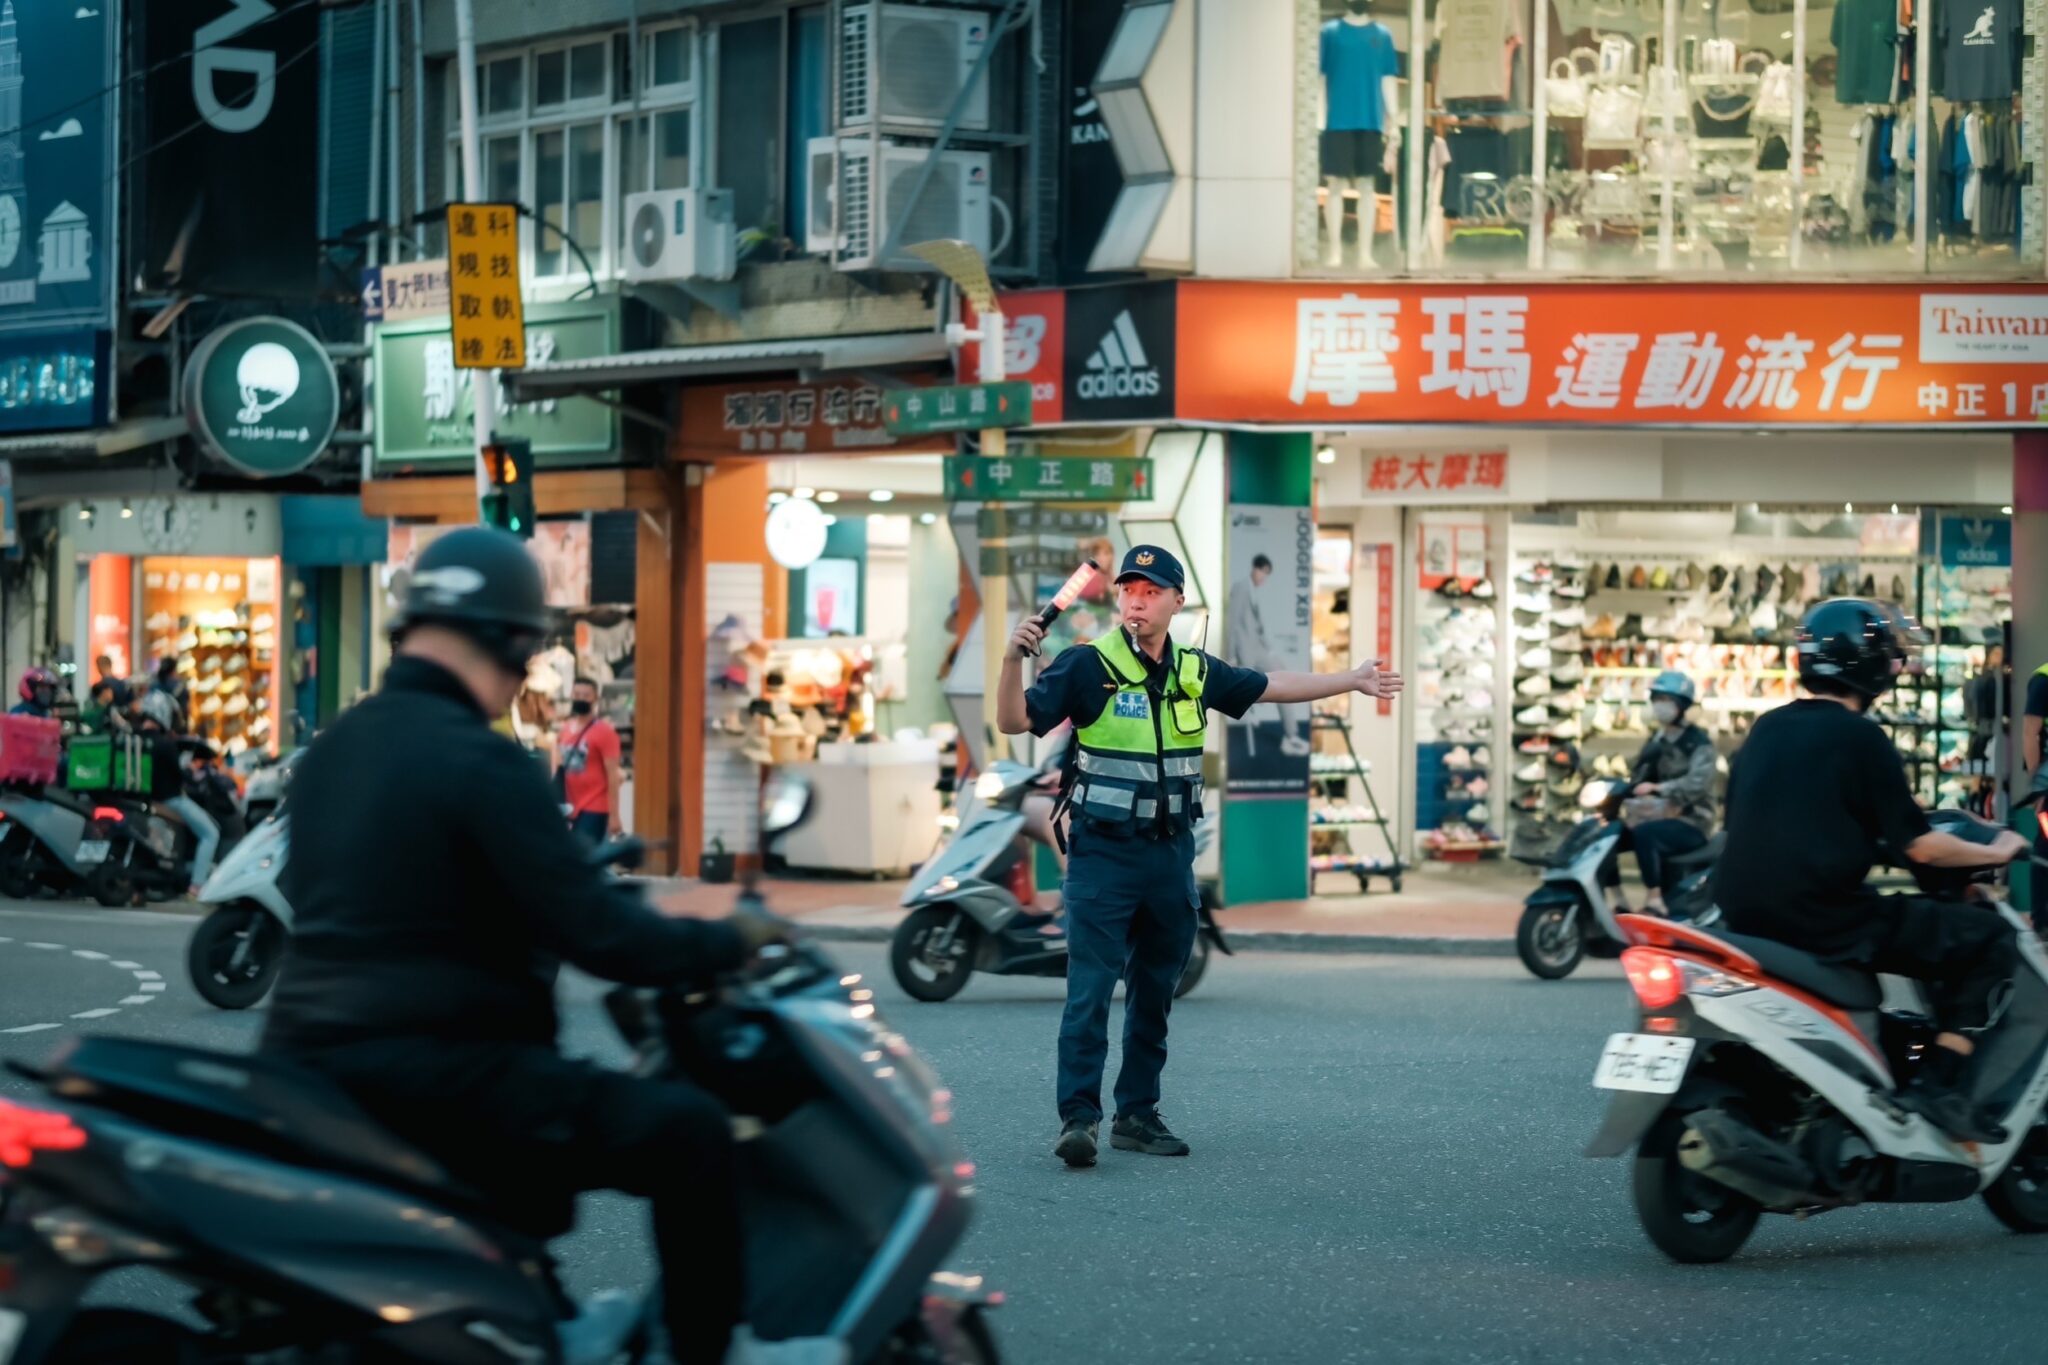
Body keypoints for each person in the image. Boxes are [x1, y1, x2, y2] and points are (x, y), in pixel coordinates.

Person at [258, 527, 824, 1365]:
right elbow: (601, 933)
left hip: (306, 1065)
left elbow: (343, 896)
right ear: (510, 640)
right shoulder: (485, 765)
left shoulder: (332, 753)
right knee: (691, 1132)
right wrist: (729, 939)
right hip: (441, 1079)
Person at [998, 544, 1404, 1168]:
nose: (1138, 597)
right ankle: (1079, 1119)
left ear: (1176, 601)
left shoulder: (1195, 670)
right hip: (1103, 857)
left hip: (1169, 857)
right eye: (1129, 588)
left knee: (1155, 993)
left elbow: (1271, 685)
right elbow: (1013, 720)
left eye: (1152, 589)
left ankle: (1136, 1114)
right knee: (1089, 994)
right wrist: (1010, 660)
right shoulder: (1085, 665)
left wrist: (1349, 679)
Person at [1712, 599, 2024, 1144]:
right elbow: (1922, 849)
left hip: (1743, 917)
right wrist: (1998, 850)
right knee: (1989, 940)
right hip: (1823, 919)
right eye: (1891, 656)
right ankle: (1943, 1086)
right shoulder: (1862, 739)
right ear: (1872, 665)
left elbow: (1787, 822)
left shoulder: (1766, 730)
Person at [1622, 670, 1717, 916]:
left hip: (1693, 820)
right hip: (1661, 814)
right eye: (1657, 699)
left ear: (1682, 705)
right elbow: (1641, 770)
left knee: (1645, 835)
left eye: (1667, 700)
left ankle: (1655, 899)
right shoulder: (1657, 738)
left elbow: (1698, 783)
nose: (1660, 706)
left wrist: (1659, 788)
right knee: (1611, 834)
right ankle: (1617, 899)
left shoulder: (1698, 742)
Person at [1225, 552, 1311, 758]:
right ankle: (1256, 714)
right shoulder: (1241, 587)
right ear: (1255, 569)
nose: (1264, 577)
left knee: (1286, 681)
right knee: (1253, 689)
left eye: (1266, 574)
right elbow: (1232, 623)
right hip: (1245, 652)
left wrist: (1268, 647)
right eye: (1263, 572)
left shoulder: (1254, 590)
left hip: (1260, 649)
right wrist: (1230, 656)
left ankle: (1291, 735)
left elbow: (1257, 624)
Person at [137, 691, 220, 896]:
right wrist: (192, 771)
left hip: (142, 800)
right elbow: (180, 776)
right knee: (211, 833)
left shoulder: (133, 741)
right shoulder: (166, 745)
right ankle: (197, 886)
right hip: (170, 801)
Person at [557, 675, 624, 843]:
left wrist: (614, 815)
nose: (581, 699)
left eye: (586, 695)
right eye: (577, 694)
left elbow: (613, 775)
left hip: (594, 806)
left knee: (586, 856)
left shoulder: (604, 732)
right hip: (570, 806)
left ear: (595, 699)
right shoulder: (564, 729)